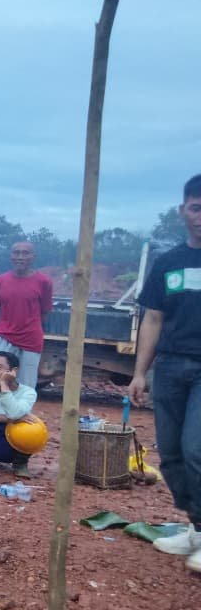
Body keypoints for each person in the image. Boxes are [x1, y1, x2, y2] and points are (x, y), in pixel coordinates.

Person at [128, 173, 201, 573]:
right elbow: (153, 319)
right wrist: (140, 373)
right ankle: (195, 527)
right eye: (196, 207)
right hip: (171, 367)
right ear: (183, 210)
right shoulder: (169, 263)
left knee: (196, 448)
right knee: (171, 454)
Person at [0, 242, 53, 389]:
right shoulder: (0, 282)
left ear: (33, 257)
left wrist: (27, 326)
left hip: (31, 340)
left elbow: (44, 312)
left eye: (25, 253)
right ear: (10, 256)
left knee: (26, 386)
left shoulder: (44, 282)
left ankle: (22, 412)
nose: (20, 257)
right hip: (3, 336)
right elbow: (1, 306)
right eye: (16, 253)